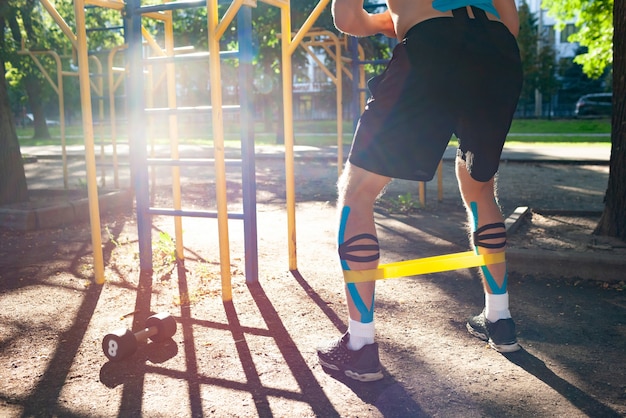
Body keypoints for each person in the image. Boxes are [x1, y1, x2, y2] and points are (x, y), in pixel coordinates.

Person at [317, 0, 523, 382]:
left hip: (432, 44)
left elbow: (347, 20)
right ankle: (500, 318)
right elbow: (509, 23)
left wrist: (388, 23)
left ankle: (360, 346)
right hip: (497, 53)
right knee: (480, 186)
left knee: (358, 190)